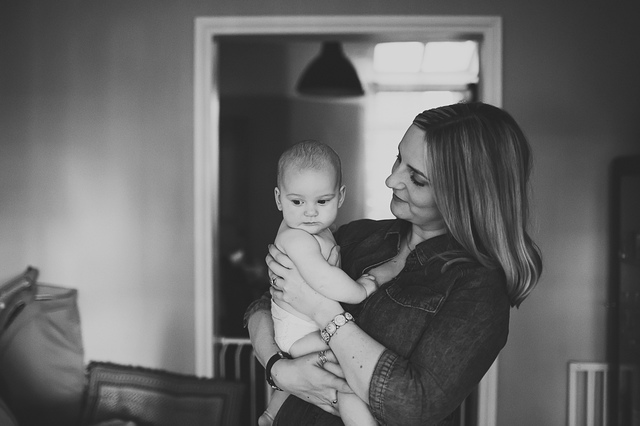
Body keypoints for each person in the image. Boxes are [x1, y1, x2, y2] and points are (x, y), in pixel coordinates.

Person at [244, 102, 543, 425]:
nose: (391, 180)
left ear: (464, 196)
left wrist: (324, 312)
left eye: (416, 178)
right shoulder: (359, 236)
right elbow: (263, 307)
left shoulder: (476, 288)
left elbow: (414, 404)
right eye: (399, 158)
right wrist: (279, 369)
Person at [259, 140, 379, 426]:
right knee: (348, 378)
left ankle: (269, 414)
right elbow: (323, 280)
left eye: (321, 201)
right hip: (299, 333)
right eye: (297, 202)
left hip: (299, 327)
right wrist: (361, 289)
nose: (310, 212)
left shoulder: (312, 229)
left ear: (340, 197)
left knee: (324, 369)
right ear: (279, 199)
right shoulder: (297, 238)